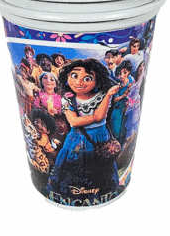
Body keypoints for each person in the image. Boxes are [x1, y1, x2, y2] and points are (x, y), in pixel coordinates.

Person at [47, 59, 121, 198]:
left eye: (87, 78)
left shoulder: (102, 95)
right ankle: (74, 194)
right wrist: (95, 117)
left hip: (99, 137)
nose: (79, 82)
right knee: (74, 168)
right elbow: (74, 121)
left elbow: (101, 115)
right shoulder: (68, 99)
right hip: (77, 139)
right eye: (74, 76)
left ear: (97, 80)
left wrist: (108, 96)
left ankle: (99, 193)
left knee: (101, 166)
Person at [33, 72, 68, 139]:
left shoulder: (59, 97)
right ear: (42, 82)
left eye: (52, 79)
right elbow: (35, 105)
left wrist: (57, 112)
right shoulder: (39, 94)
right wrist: (45, 112)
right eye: (45, 78)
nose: (48, 81)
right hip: (44, 123)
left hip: (58, 123)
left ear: (55, 85)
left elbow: (64, 110)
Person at [109, 60, 134, 146]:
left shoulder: (131, 81)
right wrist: (123, 95)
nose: (122, 76)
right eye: (120, 74)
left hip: (127, 109)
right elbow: (114, 100)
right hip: (117, 109)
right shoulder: (117, 84)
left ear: (129, 72)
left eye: (125, 73)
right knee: (115, 130)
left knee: (124, 130)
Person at [125, 61, 146, 141]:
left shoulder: (141, 80)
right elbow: (129, 95)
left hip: (135, 106)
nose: (141, 67)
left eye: (143, 66)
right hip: (130, 106)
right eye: (140, 65)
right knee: (129, 125)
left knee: (134, 123)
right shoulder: (134, 80)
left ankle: (129, 140)